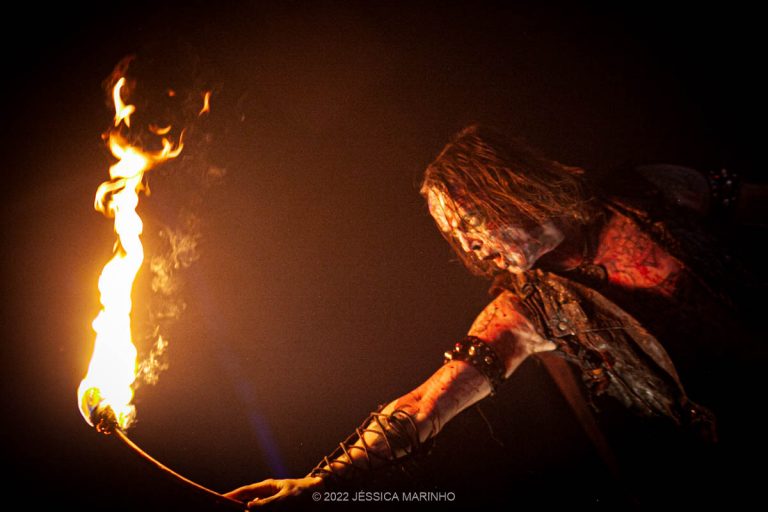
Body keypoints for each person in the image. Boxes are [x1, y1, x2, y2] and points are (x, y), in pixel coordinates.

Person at [227, 124, 762, 508]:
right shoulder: (528, 308)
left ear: (516, 187)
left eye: (472, 220)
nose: (470, 245)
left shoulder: (647, 190)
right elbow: (423, 405)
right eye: (454, 234)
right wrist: (322, 482)